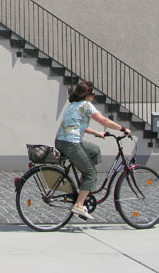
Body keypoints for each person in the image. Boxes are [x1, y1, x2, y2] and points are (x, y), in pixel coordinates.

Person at [55, 80, 130, 220]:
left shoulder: (74, 105)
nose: (94, 97)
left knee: (94, 151)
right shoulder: (86, 105)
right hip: (71, 143)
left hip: (62, 141)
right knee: (91, 173)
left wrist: (97, 133)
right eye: (93, 94)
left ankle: (84, 187)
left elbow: (80, 126)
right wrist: (123, 129)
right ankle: (79, 204)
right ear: (88, 95)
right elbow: (104, 121)